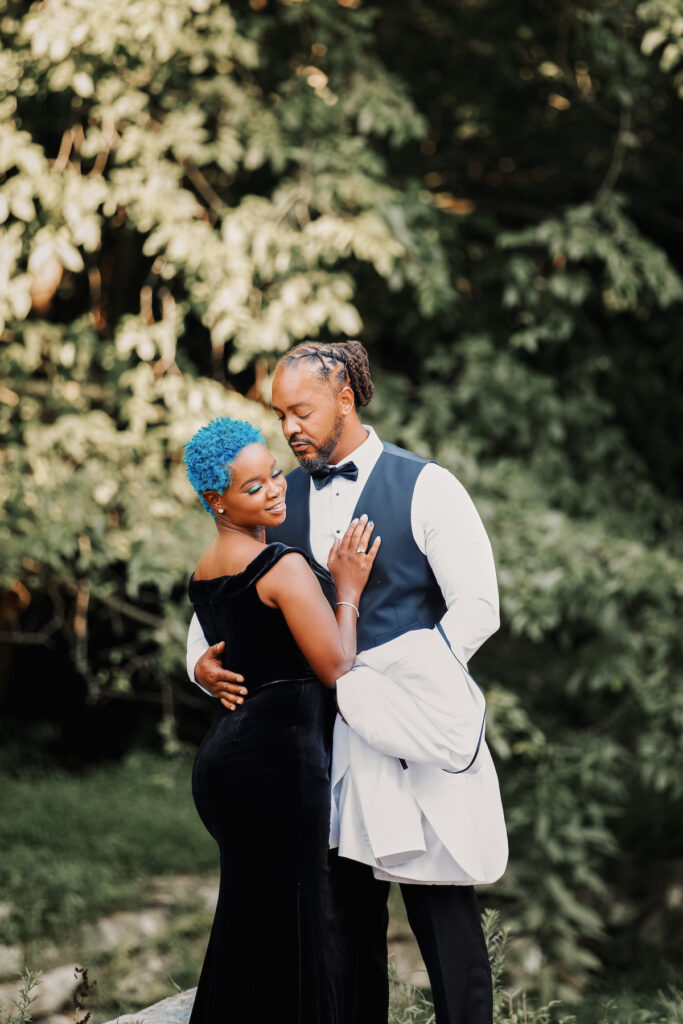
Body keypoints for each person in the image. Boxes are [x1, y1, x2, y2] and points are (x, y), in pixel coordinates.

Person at [187, 340, 508, 1024]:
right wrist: (200, 663)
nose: (290, 428)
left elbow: (478, 605)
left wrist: (406, 692)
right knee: (340, 936)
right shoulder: (274, 495)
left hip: (409, 749)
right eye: (280, 415)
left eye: (300, 410)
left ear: (345, 398)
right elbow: (224, 599)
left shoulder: (427, 485)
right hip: (316, 754)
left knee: (444, 923)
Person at [183, 415, 380, 1024]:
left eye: (273, 474)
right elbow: (338, 666)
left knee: (247, 925)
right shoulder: (281, 566)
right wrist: (346, 587)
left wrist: (199, 669)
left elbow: (231, 643)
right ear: (216, 499)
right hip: (278, 765)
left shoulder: (204, 570)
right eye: (254, 487)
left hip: (227, 763)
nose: (276, 489)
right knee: (300, 924)